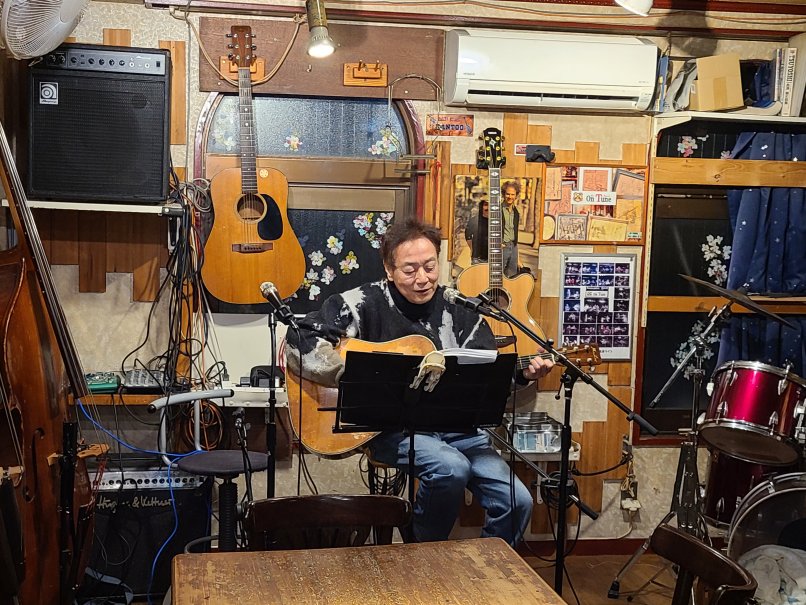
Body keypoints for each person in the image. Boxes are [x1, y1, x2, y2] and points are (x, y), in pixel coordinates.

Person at [285, 216, 553, 546]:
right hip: (390, 428)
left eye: (429, 266)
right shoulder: (359, 303)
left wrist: (523, 374)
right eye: (410, 270)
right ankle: (423, 553)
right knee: (450, 468)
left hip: (458, 430)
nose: (422, 279)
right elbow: (299, 339)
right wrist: (351, 376)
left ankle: (487, 570)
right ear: (389, 269)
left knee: (517, 500)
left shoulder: (461, 310)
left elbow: (486, 377)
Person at [502, 180, 521, 277]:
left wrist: (518, 258)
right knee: (498, 276)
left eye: (512, 194)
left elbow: (515, 233)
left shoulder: (516, 212)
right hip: (502, 247)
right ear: (503, 194)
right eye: (507, 194)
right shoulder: (497, 210)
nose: (510, 197)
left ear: (516, 196)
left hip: (513, 247)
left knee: (512, 276)